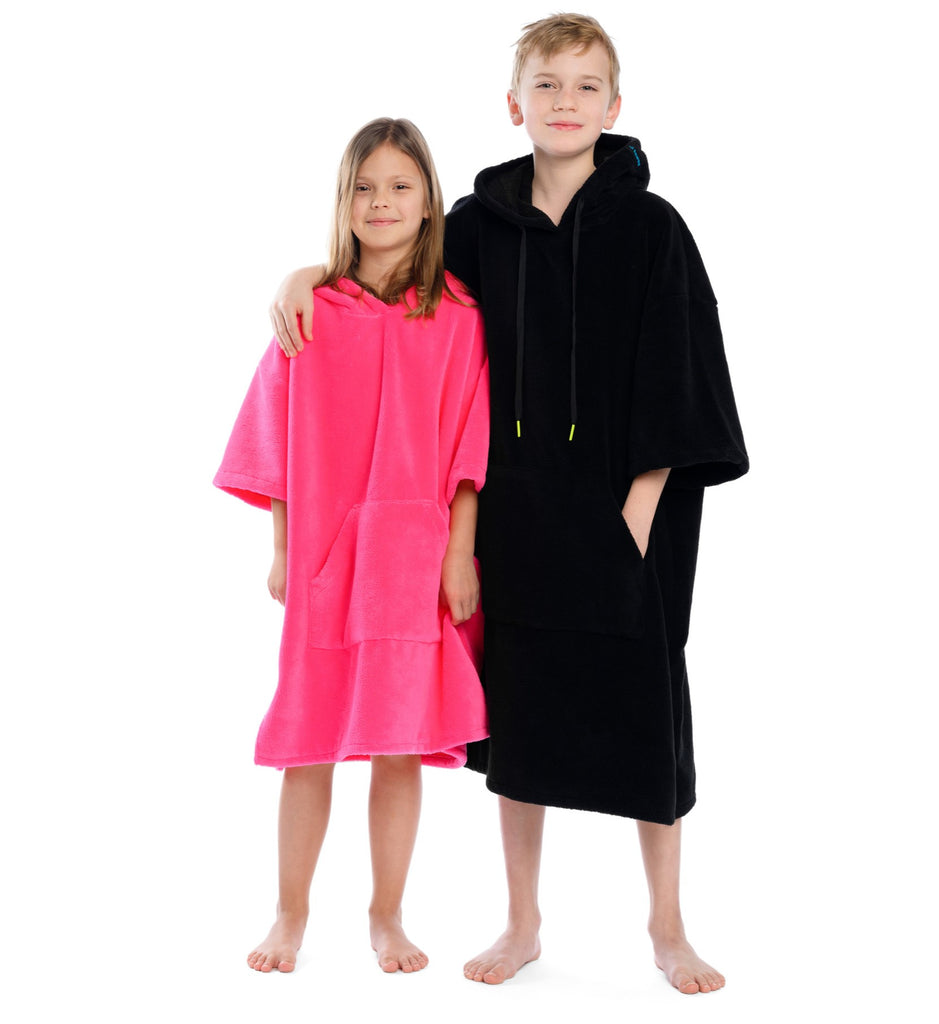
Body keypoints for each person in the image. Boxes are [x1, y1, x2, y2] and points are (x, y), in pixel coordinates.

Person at [270, 14, 747, 995]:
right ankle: (522, 921)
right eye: (547, 84)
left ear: (614, 105)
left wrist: (636, 517)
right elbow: (395, 278)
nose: (565, 101)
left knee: (648, 710)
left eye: (585, 86)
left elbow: (681, 372)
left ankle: (667, 926)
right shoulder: (480, 225)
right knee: (519, 721)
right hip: (514, 516)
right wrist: (306, 272)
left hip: (631, 515)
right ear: (514, 103)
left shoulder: (654, 228)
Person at [215, 117, 490, 975]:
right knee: (309, 739)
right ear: (344, 200)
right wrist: (282, 546)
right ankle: (289, 914)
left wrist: (458, 555)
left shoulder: (458, 316)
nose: (382, 202)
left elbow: (469, 450)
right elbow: (277, 436)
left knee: (398, 742)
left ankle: (386, 917)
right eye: (365, 187)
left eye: (400, 186)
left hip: (414, 558)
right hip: (327, 557)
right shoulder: (310, 314)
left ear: (429, 200)